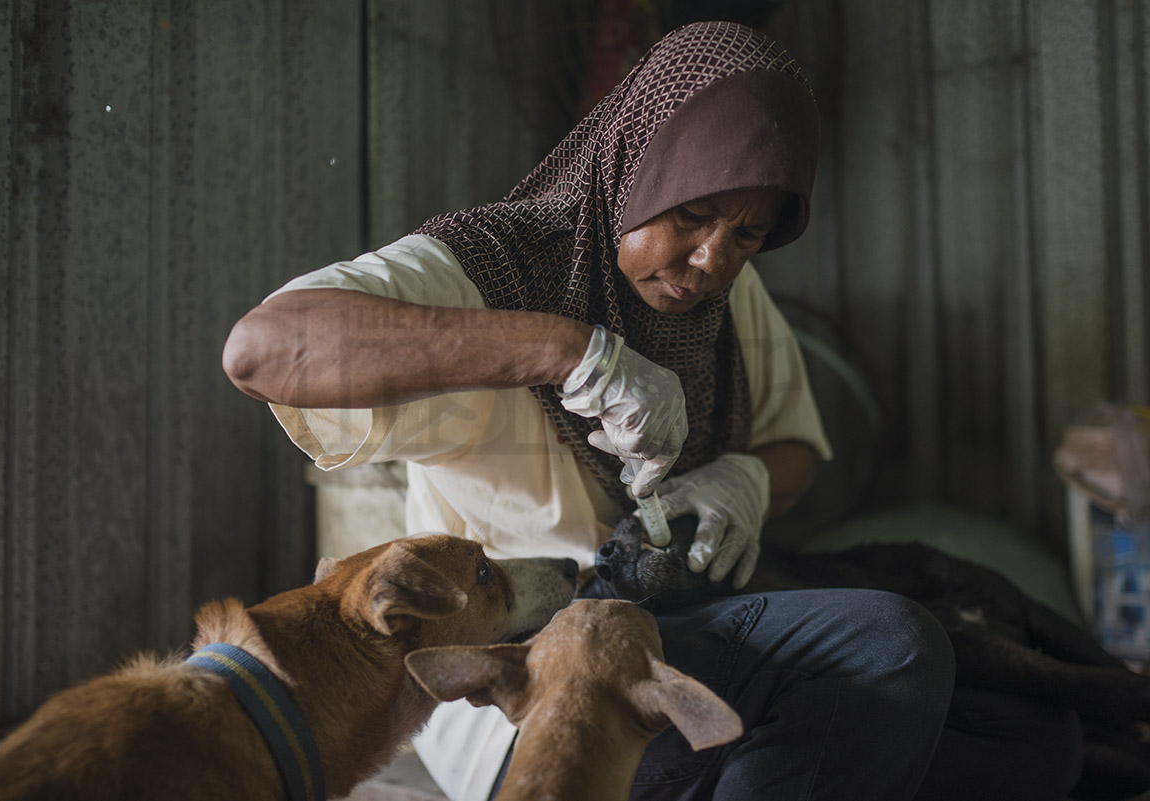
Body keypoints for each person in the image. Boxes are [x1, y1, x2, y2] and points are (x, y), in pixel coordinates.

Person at [223, 21, 1081, 801]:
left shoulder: (722, 301)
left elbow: (796, 448)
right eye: (695, 213)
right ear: (635, 163)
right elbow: (262, 350)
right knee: (890, 647)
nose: (711, 258)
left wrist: (743, 480)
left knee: (1035, 742)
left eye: (746, 235)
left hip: (676, 619)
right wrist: (568, 350)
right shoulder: (489, 265)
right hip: (538, 674)